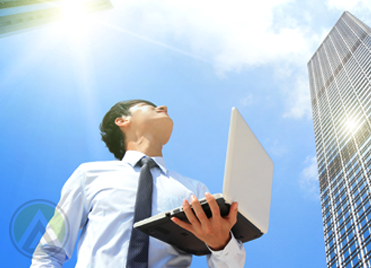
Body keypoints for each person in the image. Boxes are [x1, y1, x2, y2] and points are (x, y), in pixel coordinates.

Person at [32, 100, 246, 267]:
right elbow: (50, 251)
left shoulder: (195, 190)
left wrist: (221, 244)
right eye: (150, 106)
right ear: (122, 120)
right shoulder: (88, 174)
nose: (163, 107)